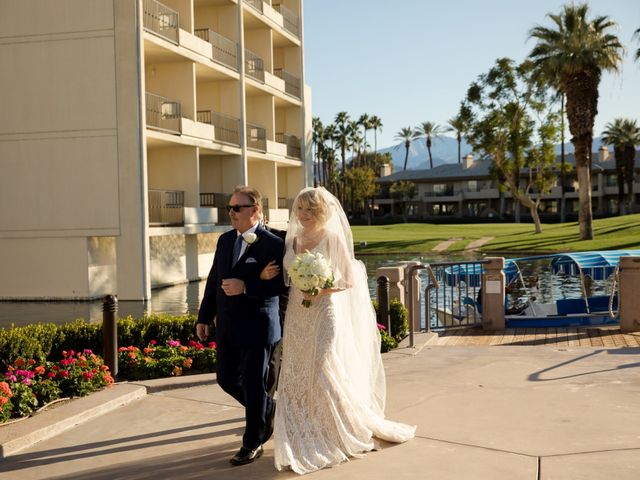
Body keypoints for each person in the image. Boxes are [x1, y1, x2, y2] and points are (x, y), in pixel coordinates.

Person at [262, 187, 415, 475]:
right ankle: (298, 429)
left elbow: (349, 279)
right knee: (295, 371)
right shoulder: (292, 239)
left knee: (321, 367)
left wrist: (321, 288)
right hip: (297, 312)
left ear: (321, 212)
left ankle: (334, 429)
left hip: (324, 311)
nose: (303, 215)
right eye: (300, 209)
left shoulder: (332, 238)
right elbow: (285, 277)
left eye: (309, 210)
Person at [196, 186, 285, 466]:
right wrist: (203, 316)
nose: (232, 213)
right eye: (230, 208)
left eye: (237, 208)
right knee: (225, 378)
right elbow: (214, 281)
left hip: (258, 325)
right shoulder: (224, 241)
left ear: (255, 209)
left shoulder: (274, 243)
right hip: (227, 325)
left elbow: (282, 286)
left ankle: (252, 442)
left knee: (253, 383)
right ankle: (267, 410)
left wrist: (247, 285)